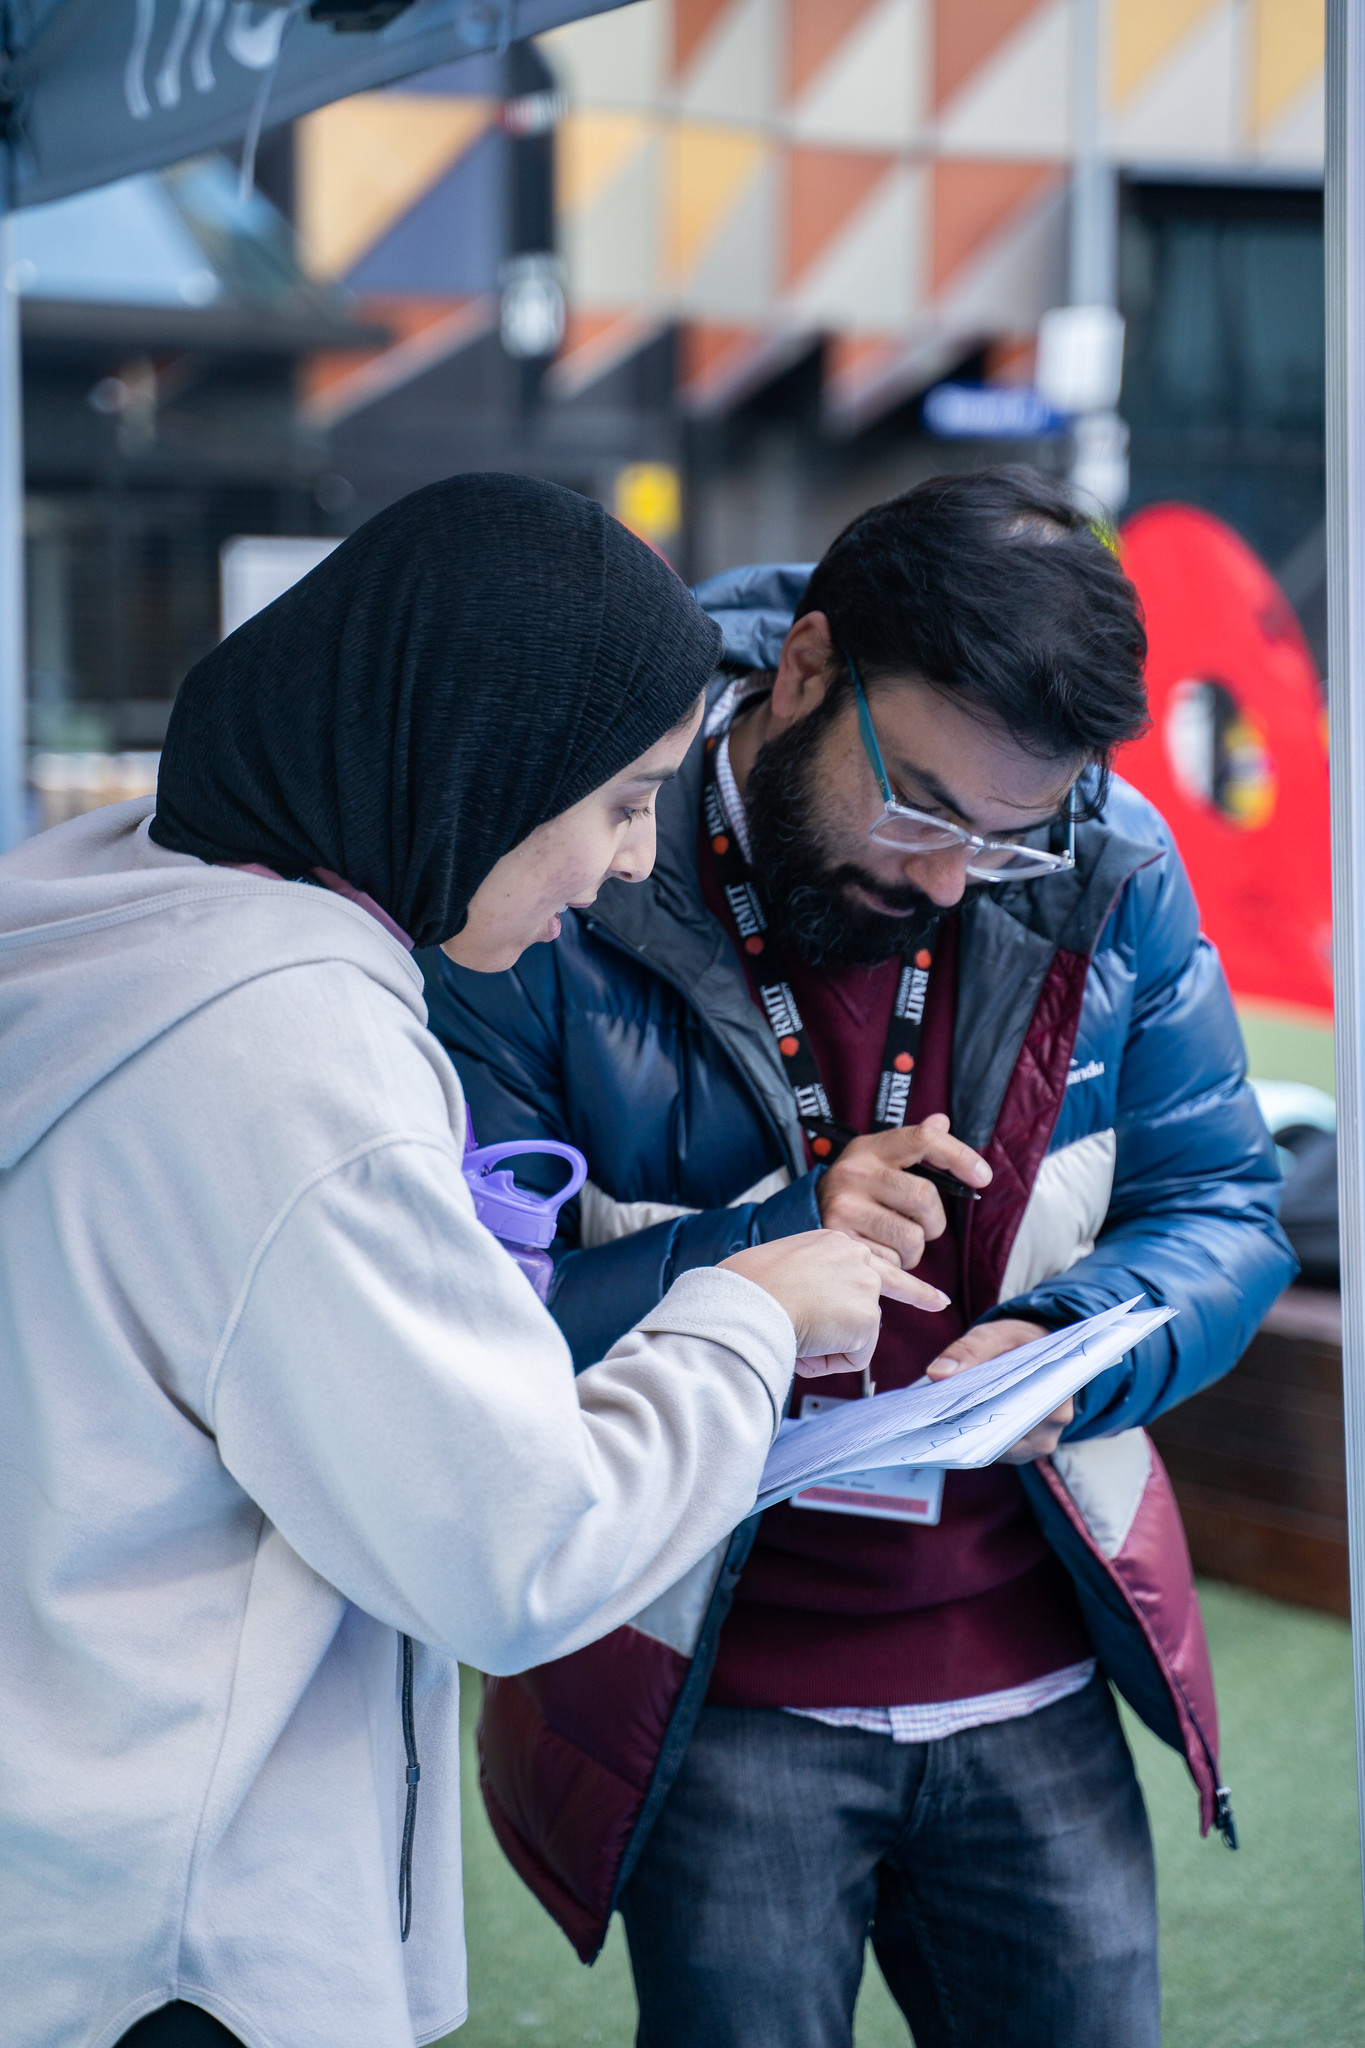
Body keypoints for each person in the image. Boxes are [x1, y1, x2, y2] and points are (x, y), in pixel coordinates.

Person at [0, 475, 920, 2048]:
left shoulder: (107, 908)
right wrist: (741, 1316)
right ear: (482, 764)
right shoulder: (291, 1052)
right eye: (621, 799)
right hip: (181, 1944)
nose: (632, 861)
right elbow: (517, 1555)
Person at [424, 468, 1297, 2048]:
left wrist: (1085, 1331)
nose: (952, 879)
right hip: (717, 1685)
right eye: (920, 810)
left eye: (1009, 840)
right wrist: (778, 1244)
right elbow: (468, 1326)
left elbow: (1223, 1203)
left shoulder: (1109, 864)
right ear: (806, 669)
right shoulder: (571, 866)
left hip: (1032, 1663)